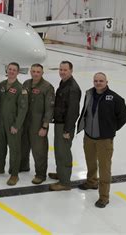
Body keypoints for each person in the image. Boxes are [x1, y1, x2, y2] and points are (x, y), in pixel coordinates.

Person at [77, 72, 126, 208]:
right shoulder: (89, 94)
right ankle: (91, 182)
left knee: (104, 168)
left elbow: (124, 117)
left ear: (106, 82)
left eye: (101, 81)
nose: (98, 83)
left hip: (104, 140)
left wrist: (111, 129)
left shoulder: (115, 98)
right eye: (96, 80)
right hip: (89, 136)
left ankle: (104, 197)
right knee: (90, 161)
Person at [0, 62, 28, 186]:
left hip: (13, 124)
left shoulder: (20, 89)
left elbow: (23, 109)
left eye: (14, 70)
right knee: (0, 145)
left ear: (18, 72)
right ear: (6, 70)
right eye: (10, 69)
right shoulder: (1, 85)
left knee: (14, 149)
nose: (11, 71)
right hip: (1, 122)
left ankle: (14, 174)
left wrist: (16, 125)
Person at [49, 61, 81, 191]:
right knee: (58, 150)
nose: (62, 72)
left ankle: (65, 182)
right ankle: (61, 174)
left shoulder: (72, 88)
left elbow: (73, 111)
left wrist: (67, 129)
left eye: (65, 70)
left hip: (65, 126)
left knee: (64, 153)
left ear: (71, 71)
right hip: (59, 123)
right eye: (60, 69)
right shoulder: (64, 83)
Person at [21, 64, 55, 184]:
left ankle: (40, 174)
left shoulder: (47, 87)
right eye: (33, 71)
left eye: (38, 72)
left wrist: (44, 126)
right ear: (30, 72)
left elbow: (49, 109)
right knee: (24, 146)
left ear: (42, 73)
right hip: (25, 122)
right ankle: (23, 166)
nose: (35, 74)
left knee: (39, 150)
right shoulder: (26, 84)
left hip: (38, 124)